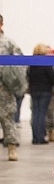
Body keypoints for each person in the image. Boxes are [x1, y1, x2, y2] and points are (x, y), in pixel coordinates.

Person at [0, 14, 24, 161]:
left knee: (8, 117)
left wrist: (13, 80)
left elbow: (19, 61)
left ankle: (12, 148)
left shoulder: (8, 43)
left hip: (5, 88)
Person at [28, 43, 54, 145]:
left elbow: (28, 76)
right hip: (45, 91)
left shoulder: (32, 63)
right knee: (42, 114)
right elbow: (52, 77)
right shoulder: (45, 62)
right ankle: (40, 137)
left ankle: (35, 137)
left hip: (34, 91)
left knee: (35, 114)